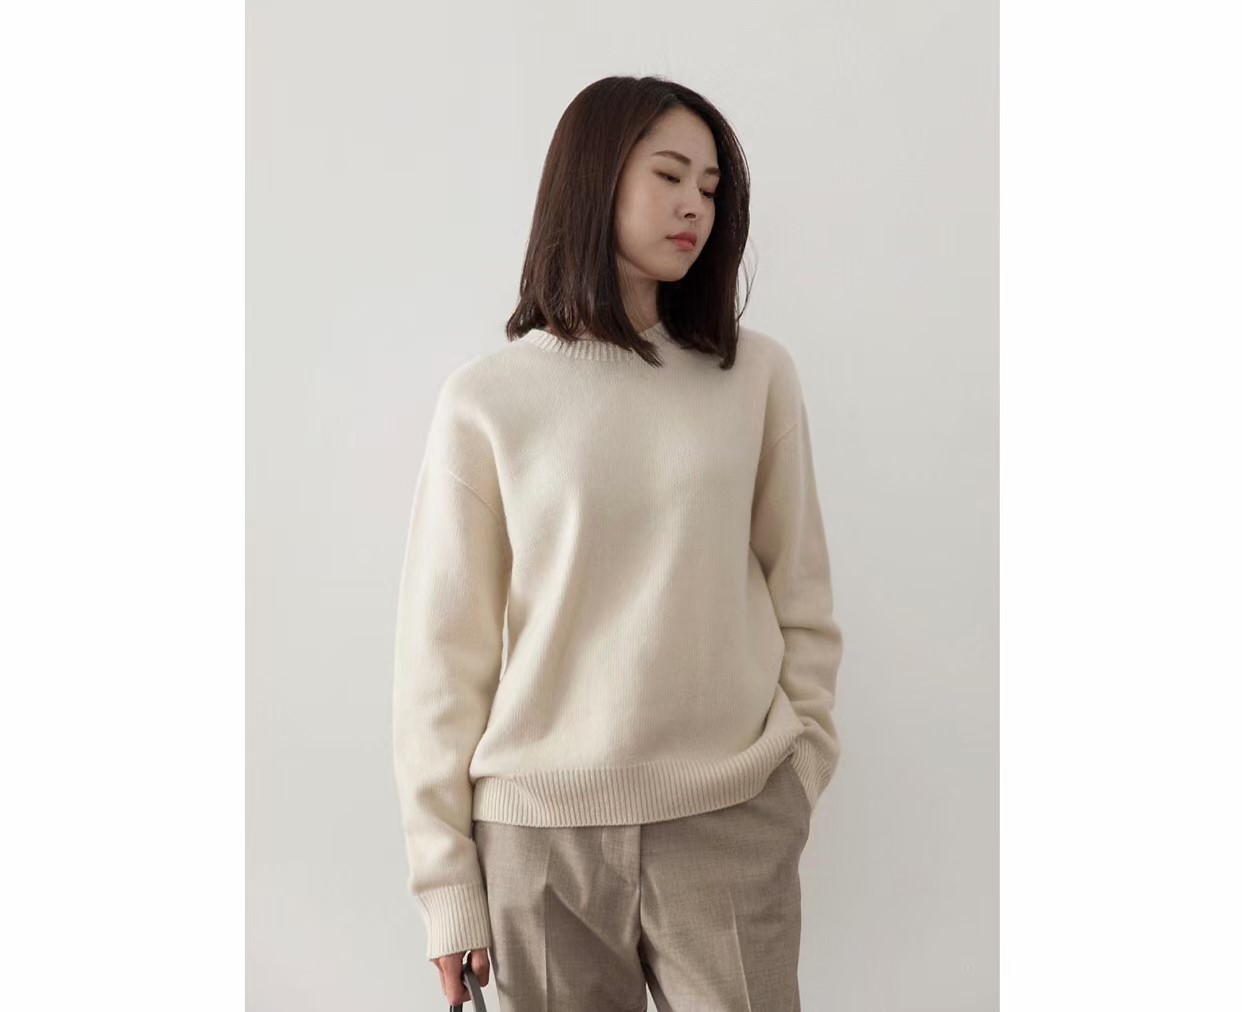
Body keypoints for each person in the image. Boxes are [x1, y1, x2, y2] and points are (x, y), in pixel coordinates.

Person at [392, 74, 844, 1010]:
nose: (695, 207)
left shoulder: (755, 377)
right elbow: (442, 658)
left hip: (729, 818)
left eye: (711, 188)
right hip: (538, 843)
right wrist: (447, 887)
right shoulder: (488, 401)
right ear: (595, 180)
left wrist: (798, 771)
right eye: (669, 176)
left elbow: (801, 591)